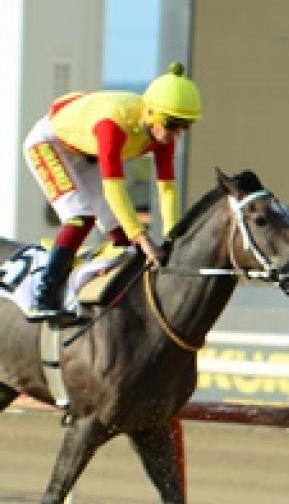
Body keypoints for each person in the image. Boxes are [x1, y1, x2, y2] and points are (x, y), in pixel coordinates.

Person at [22, 61, 202, 322]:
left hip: (87, 153)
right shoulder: (112, 126)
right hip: (50, 144)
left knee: (120, 234)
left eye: (184, 127)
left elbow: (166, 188)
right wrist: (144, 238)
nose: (175, 135)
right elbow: (114, 188)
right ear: (151, 113)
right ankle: (44, 295)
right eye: (172, 125)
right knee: (81, 217)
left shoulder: (161, 135)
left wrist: (172, 235)